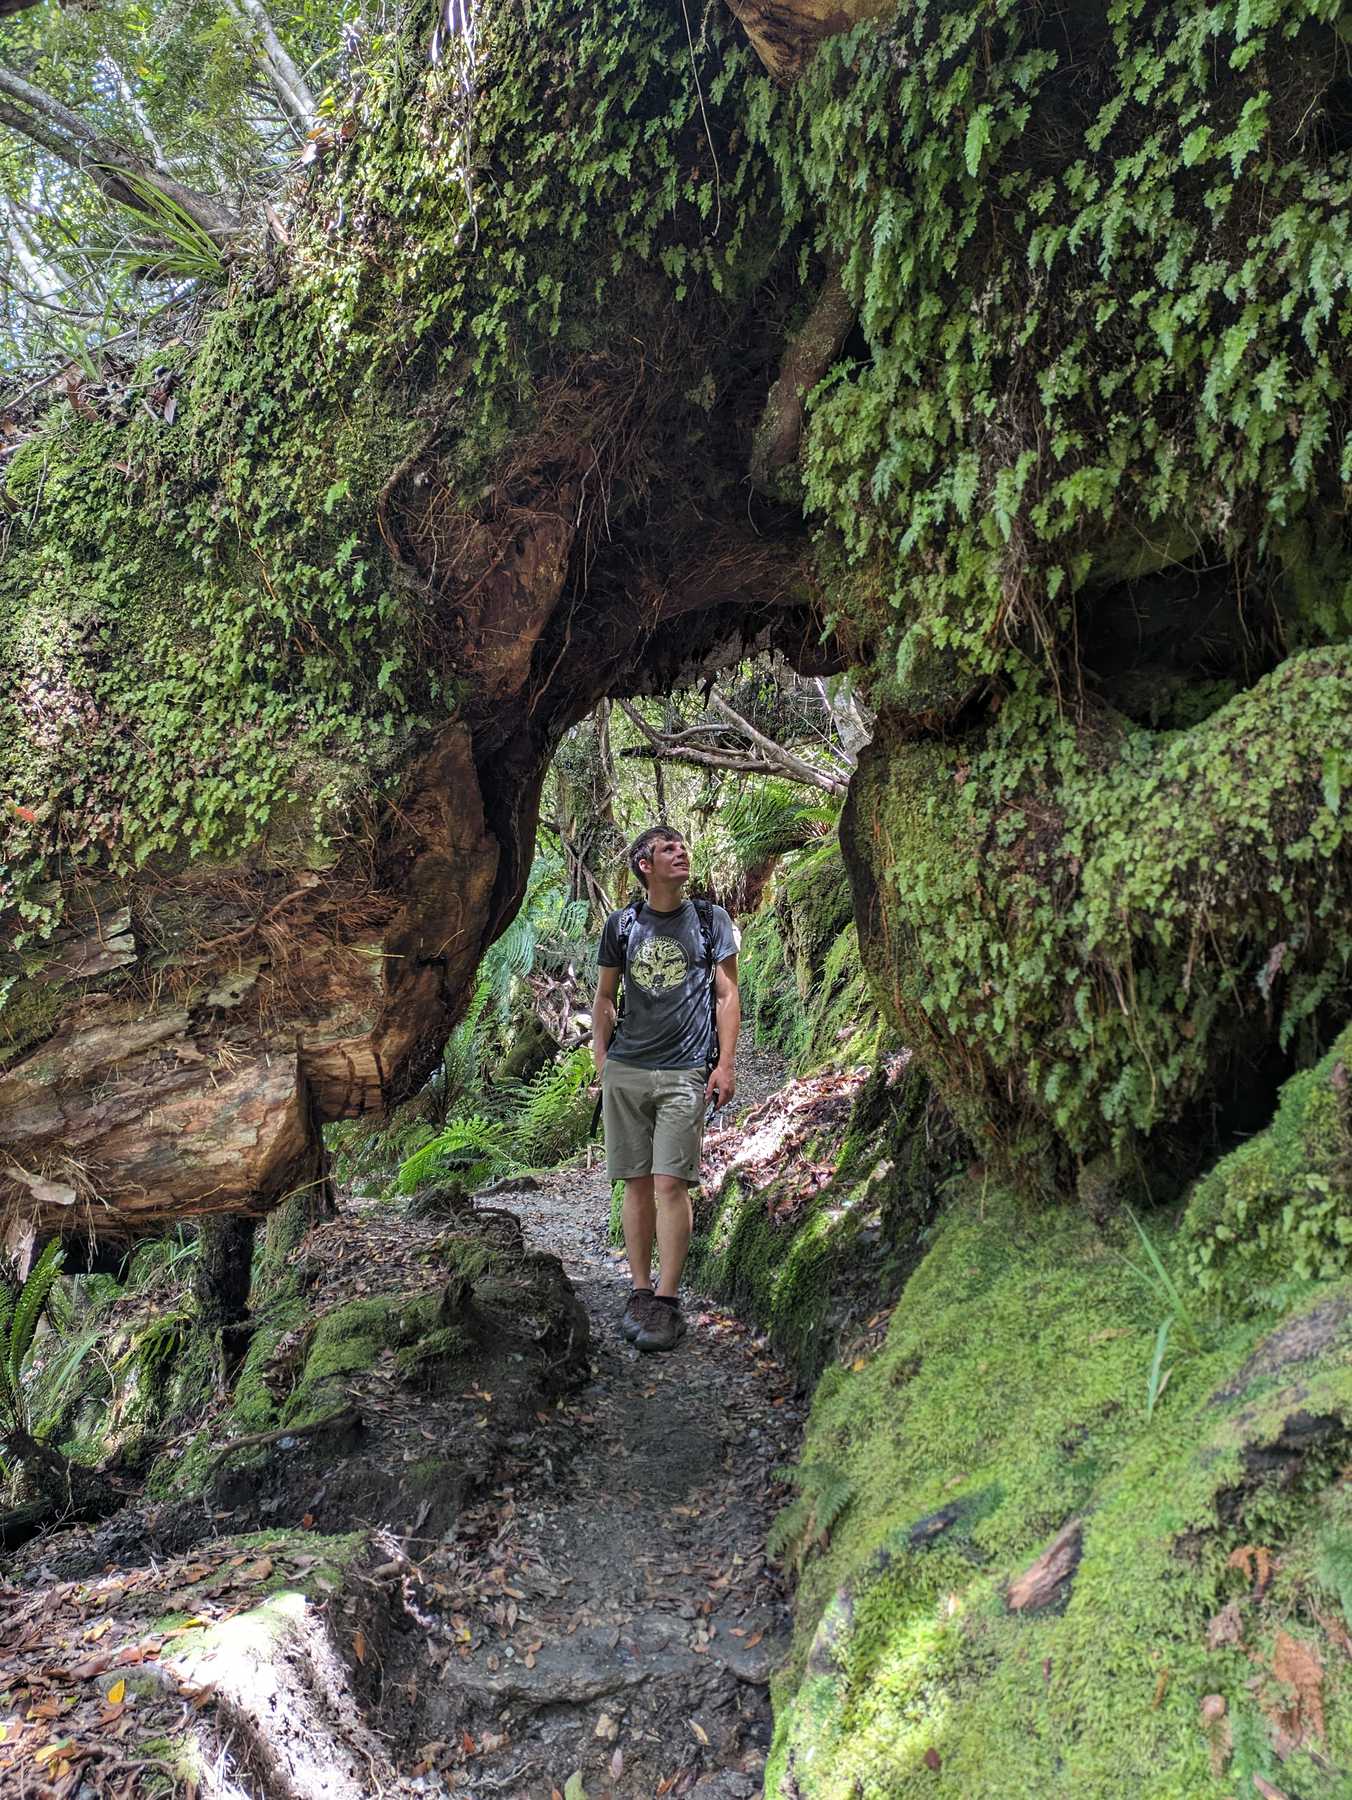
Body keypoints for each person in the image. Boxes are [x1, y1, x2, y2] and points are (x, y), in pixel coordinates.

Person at [591, 825, 740, 1353]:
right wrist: (602, 1059)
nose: (681, 853)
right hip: (627, 1069)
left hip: (683, 1072)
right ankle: (638, 1291)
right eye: (667, 848)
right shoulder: (622, 925)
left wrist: (724, 1064)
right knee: (633, 1183)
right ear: (643, 865)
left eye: (683, 846)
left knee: (670, 1183)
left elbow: (726, 994)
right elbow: (606, 996)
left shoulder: (709, 920)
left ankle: (668, 1300)